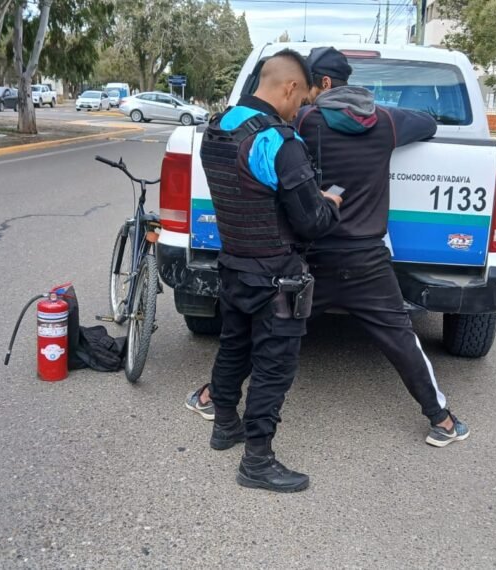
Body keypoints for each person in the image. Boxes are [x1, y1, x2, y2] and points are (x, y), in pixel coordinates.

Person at [188, 47, 468, 448]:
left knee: (261, 332)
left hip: (308, 259)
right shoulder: (386, 121)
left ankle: (211, 397)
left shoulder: (301, 120)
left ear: (320, 84)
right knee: (400, 337)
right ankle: (440, 420)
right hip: (366, 261)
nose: (303, 99)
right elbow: (426, 123)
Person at [198, 48, 342, 493]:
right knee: (273, 367)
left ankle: (225, 425)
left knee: (233, 346)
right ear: (290, 87)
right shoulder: (279, 142)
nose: (299, 110)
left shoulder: (218, 127)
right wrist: (330, 203)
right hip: (275, 276)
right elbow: (311, 222)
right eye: (300, 102)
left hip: (233, 265)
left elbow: (246, 192)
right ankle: (257, 462)